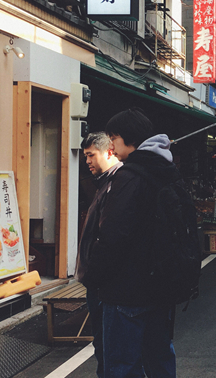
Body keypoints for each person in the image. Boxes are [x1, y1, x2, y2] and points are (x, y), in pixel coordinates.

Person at [81, 107, 185, 378]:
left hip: (126, 290)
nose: (111, 146)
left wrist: (94, 276)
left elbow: (113, 236)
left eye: (113, 138)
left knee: (122, 365)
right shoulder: (167, 171)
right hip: (161, 286)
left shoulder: (129, 177)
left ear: (127, 139)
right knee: (159, 358)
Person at [75, 132, 122, 378]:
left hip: (105, 282)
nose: (87, 162)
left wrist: (93, 274)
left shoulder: (117, 184)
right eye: (85, 157)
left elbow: (110, 237)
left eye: (91, 155)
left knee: (108, 344)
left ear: (109, 151)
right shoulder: (105, 183)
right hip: (99, 280)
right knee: (104, 343)